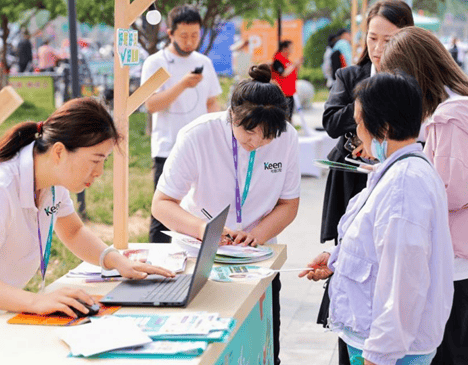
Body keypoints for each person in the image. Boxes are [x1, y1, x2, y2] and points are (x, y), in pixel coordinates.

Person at [0, 97, 174, 354]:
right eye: (95, 160)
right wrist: (36, 301)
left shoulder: (52, 180)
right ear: (59, 151)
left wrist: (116, 261)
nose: (99, 172)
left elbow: (73, 231)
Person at [301, 71, 454, 365]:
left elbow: (404, 285)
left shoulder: (404, 186)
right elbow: (379, 247)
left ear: (382, 127)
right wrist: (337, 258)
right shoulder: (397, 171)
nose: (357, 132)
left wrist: (378, 356)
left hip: (391, 353)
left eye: (359, 123)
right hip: (379, 343)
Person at [152, 64, 300, 365]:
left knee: (263, 349)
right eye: (248, 131)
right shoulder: (198, 135)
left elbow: (289, 203)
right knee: (207, 351)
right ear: (232, 114)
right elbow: (162, 203)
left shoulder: (288, 138)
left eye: (267, 135)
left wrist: (255, 236)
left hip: (258, 260)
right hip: (200, 259)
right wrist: (205, 229)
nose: (256, 141)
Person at [381, 26, 468, 365]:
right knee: (462, 337)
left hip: (455, 255)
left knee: (450, 345)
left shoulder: (448, 117)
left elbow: (449, 192)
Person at [319, 1, 414, 362]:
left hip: (394, 189)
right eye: (372, 38)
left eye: (388, 40)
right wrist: (366, 107)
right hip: (353, 187)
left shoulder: (414, 83)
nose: (378, 48)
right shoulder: (351, 75)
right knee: (351, 269)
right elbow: (331, 120)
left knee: (386, 273)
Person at [141, 4, 222, 244]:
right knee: (164, 212)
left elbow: (212, 103)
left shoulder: (204, 62)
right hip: (168, 148)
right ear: (170, 33)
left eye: (195, 36)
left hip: (202, 150)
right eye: (184, 36)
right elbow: (151, 105)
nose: (189, 41)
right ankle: (157, 269)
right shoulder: (156, 63)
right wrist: (182, 85)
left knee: (199, 210)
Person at [271, 40, 304, 121]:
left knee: (289, 116)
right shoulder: (277, 60)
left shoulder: (288, 61)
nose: (292, 50)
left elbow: (293, 74)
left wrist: (298, 65)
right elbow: (283, 73)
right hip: (282, 93)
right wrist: (294, 65)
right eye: (291, 48)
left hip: (290, 92)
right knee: (283, 117)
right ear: (284, 48)